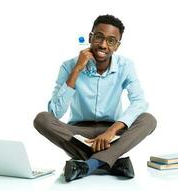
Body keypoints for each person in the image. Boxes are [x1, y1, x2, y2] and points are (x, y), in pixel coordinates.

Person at [33, 14, 157, 182]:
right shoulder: (69, 66)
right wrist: (77, 70)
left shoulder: (126, 66)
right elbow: (54, 112)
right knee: (42, 119)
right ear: (91, 37)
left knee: (148, 120)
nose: (103, 45)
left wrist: (112, 131)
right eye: (99, 37)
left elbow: (139, 102)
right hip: (78, 134)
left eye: (111, 41)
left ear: (117, 46)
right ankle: (111, 162)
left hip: (112, 133)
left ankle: (88, 165)